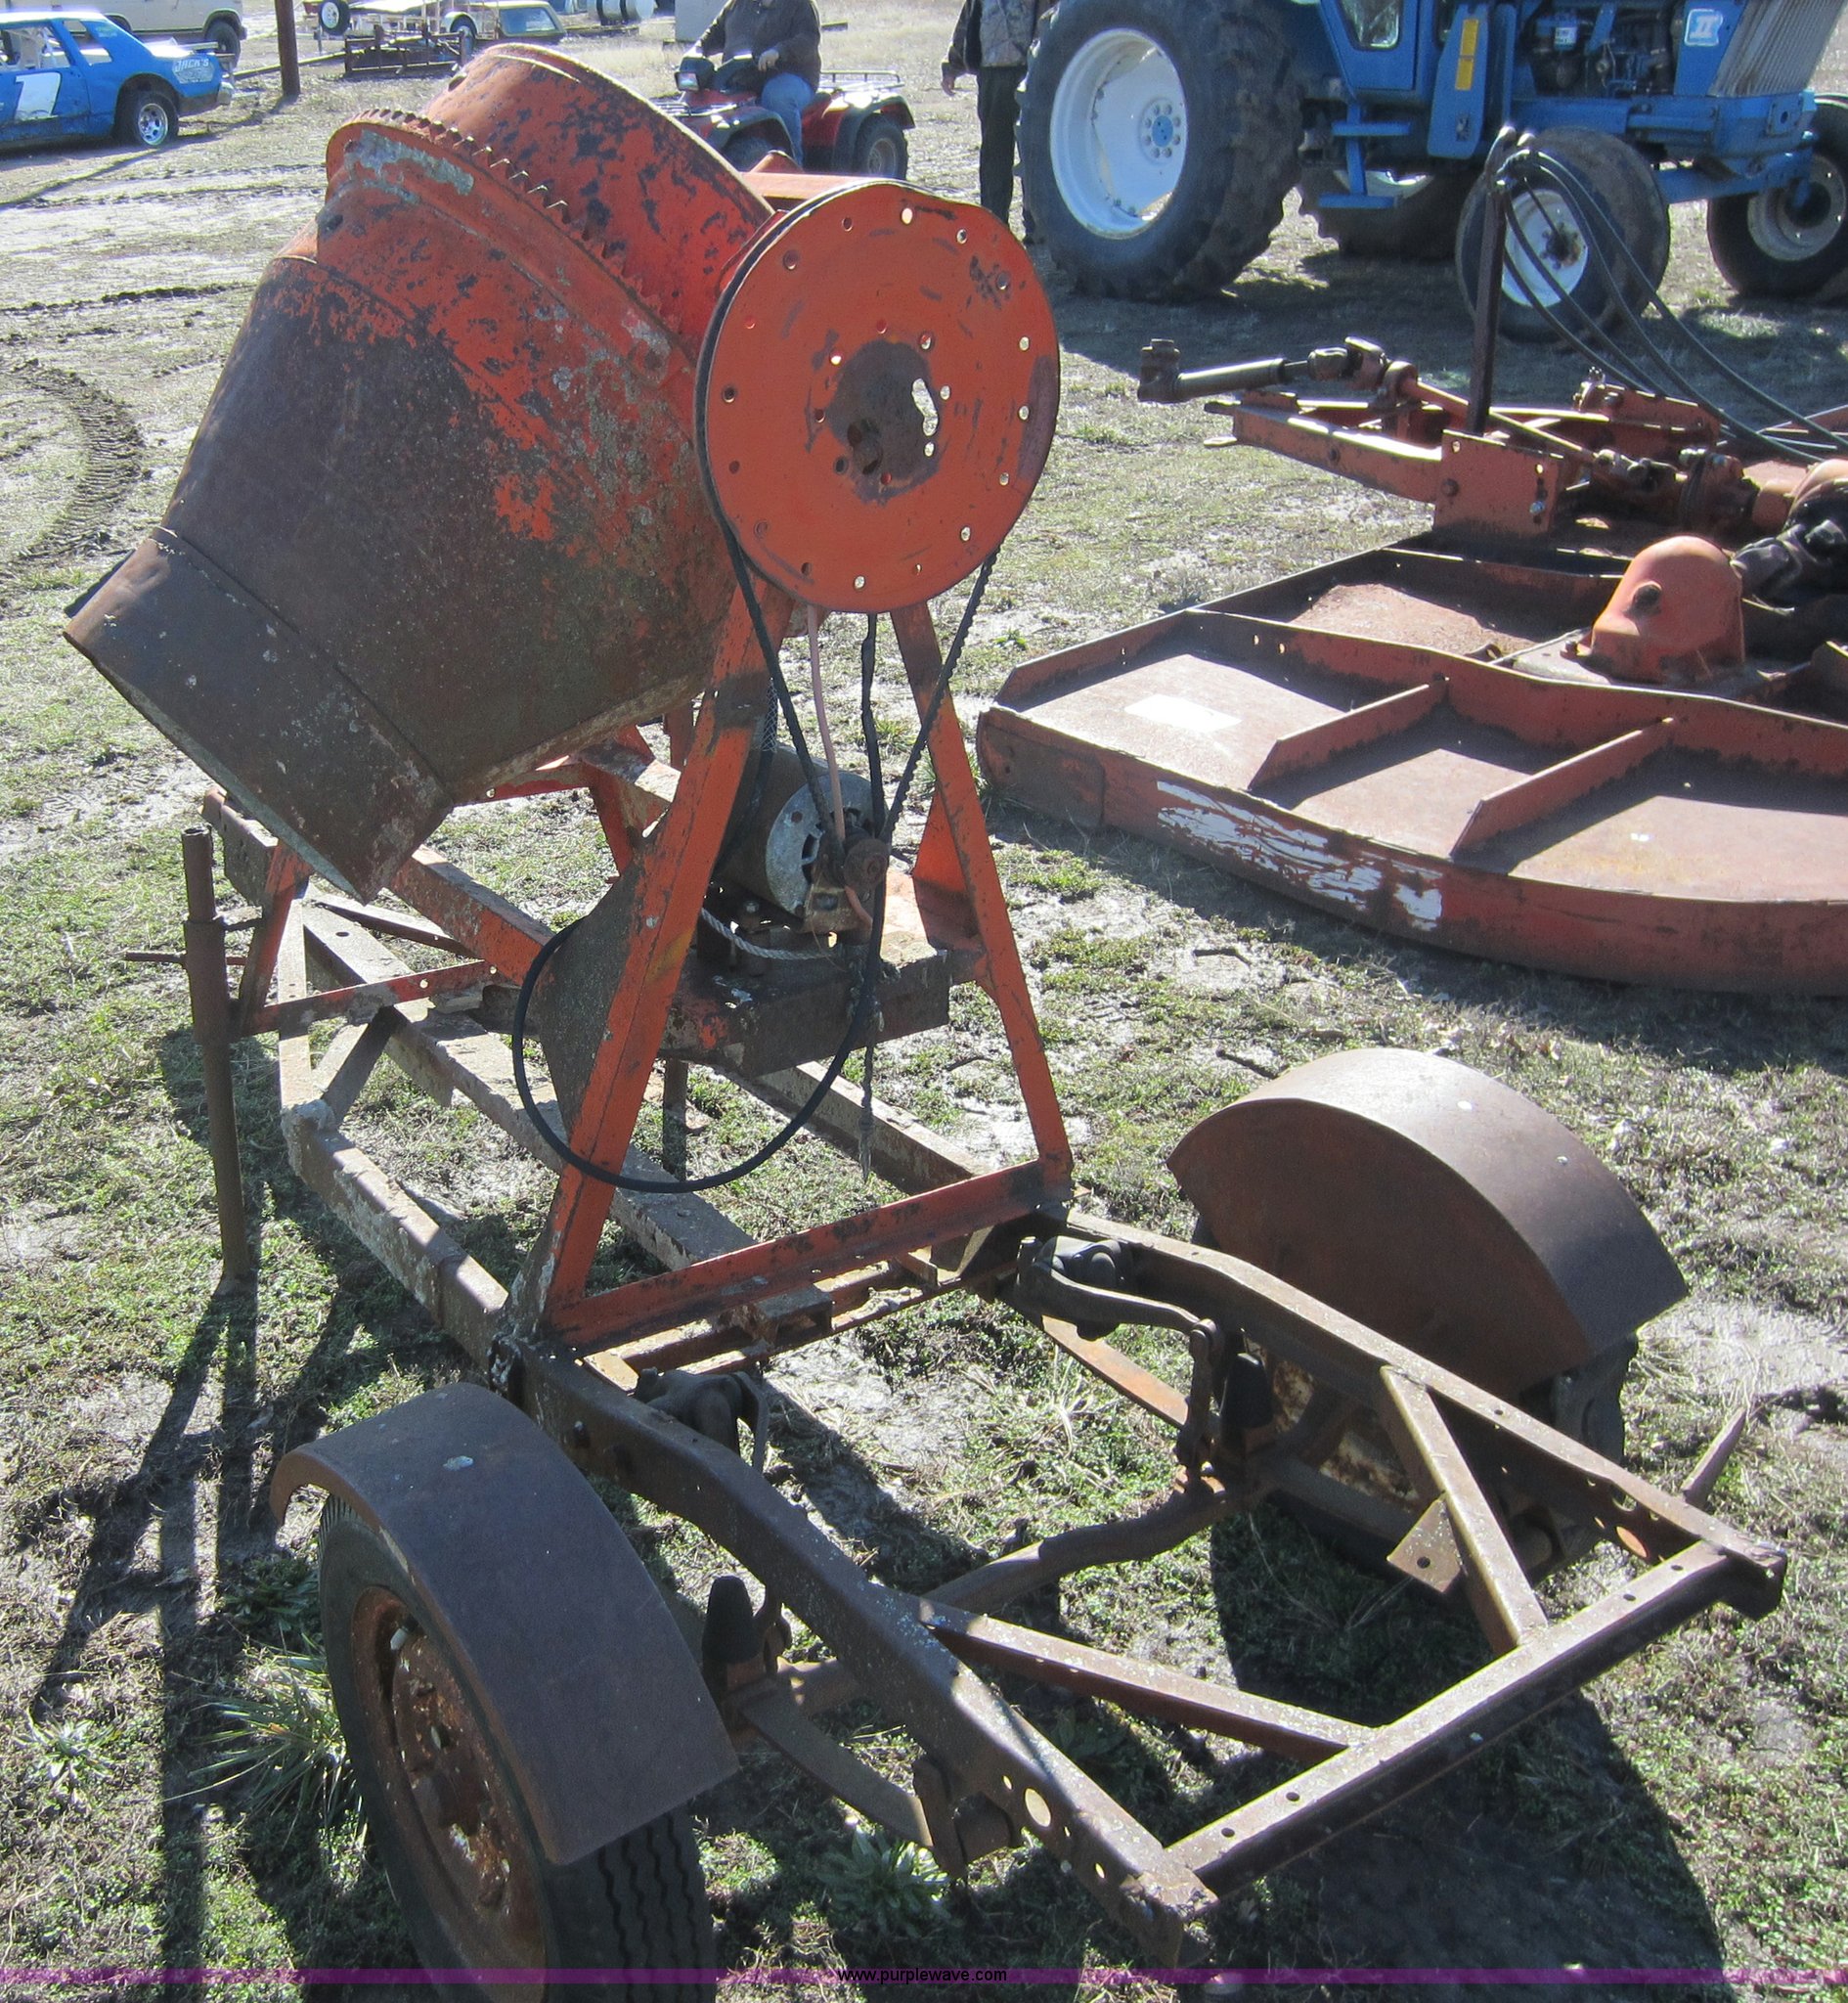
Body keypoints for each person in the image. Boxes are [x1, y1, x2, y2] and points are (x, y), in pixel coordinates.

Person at [942, 0, 1046, 234]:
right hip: (992, 78)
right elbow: (967, 25)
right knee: (994, 155)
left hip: (1030, 76)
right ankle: (994, 225)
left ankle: (1037, 227)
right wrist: (952, 67)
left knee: (1034, 153)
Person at [699, 0, 821, 166]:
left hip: (792, 75)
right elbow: (714, 34)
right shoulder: (737, 5)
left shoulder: (799, 4)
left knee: (777, 96)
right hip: (742, 76)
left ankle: (791, 161)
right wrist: (696, 51)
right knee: (707, 101)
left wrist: (779, 51)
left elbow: (809, 38)